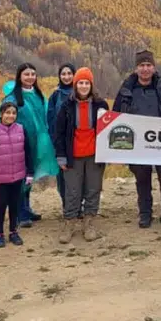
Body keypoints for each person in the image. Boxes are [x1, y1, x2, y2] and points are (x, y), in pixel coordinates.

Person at [113, 49, 161, 230]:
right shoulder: (127, 89)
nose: (145, 69)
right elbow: (115, 116)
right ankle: (145, 214)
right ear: (136, 68)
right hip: (137, 144)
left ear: (154, 67)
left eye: (148, 65)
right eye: (141, 66)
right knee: (143, 180)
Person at [0, 63, 59, 227]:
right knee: (20, 176)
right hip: (18, 144)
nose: (30, 77)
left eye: (33, 74)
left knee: (28, 176)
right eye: (26, 74)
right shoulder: (12, 98)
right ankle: (20, 213)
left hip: (36, 142)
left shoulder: (38, 95)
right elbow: (4, 119)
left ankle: (26, 208)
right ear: (19, 76)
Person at [52, 67, 109, 243]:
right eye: (80, 83)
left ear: (91, 85)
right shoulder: (66, 106)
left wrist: (108, 153)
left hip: (94, 155)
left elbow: (108, 131)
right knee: (72, 191)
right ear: (75, 85)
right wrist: (60, 156)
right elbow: (58, 133)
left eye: (86, 83)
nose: (83, 86)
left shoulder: (101, 105)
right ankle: (69, 223)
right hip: (73, 156)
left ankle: (89, 222)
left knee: (93, 189)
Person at [0, 101, 35, 247]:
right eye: (7, 112)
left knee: (14, 205)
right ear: (1, 114)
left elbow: (28, 153)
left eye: (13, 113)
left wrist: (30, 172)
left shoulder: (21, 129)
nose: (10, 115)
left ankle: (13, 231)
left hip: (17, 176)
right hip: (0, 178)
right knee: (1, 205)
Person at [46, 64, 77, 210]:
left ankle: (79, 205)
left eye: (69, 73)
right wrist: (55, 141)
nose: (66, 77)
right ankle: (67, 206)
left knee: (79, 174)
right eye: (63, 74)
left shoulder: (81, 91)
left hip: (79, 141)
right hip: (61, 143)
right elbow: (50, 119)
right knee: (63, 176)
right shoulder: (55, 95)